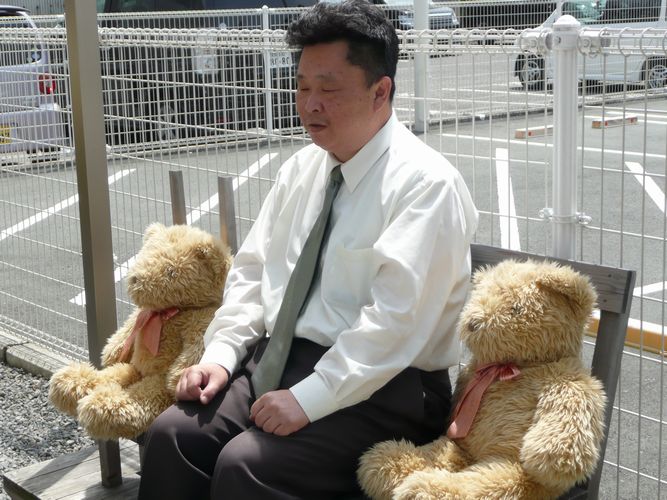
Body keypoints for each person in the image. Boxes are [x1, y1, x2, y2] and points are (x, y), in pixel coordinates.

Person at [138, 1, 478, 498]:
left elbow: (396, 323)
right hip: (280, 358)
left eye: (328, 89)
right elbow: (253, 272)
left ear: (380, 91)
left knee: (246, 465)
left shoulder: (427, 186)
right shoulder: (301, 169)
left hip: (389, 385)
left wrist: (311, 397)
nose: (310, 103)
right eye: (301, 87)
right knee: (174, 435)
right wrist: (222, 355)